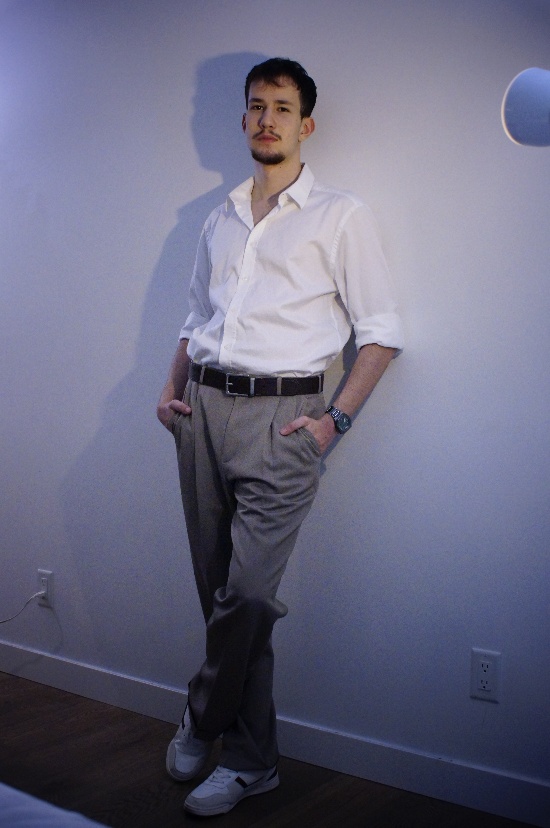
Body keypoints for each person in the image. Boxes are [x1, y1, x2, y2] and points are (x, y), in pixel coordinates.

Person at [156, 57, 404, 817]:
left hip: (285, 419)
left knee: (249, 597)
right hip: (202, 411)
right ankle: (254, 763)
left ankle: (203, 713)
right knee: (220, 596)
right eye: (257, 106)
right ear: (243, 120)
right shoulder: (218, 217)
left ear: (306, 125)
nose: (268, 119)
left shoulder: (341, 215)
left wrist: (335, 421)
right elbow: (197, 318)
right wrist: (169, 391)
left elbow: (382, 334)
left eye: (283, 108)